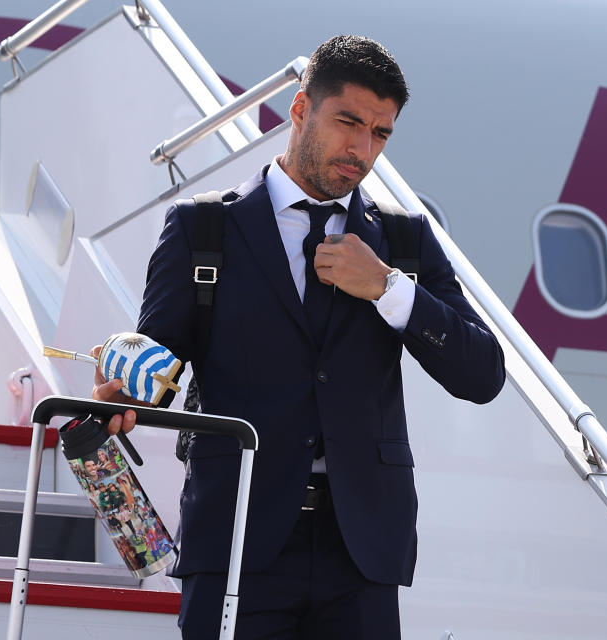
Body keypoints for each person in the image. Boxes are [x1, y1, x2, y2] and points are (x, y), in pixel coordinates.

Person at [91, 35, 505, 639]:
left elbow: (484, 374)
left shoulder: (404, 241)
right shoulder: (204, 229)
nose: (362, 149)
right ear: (301, 110)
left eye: (381, 133)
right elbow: (155, 370)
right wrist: (124, 397)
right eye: (349, 122)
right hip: (234, 542)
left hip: (361, 551)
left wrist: (389, 287)